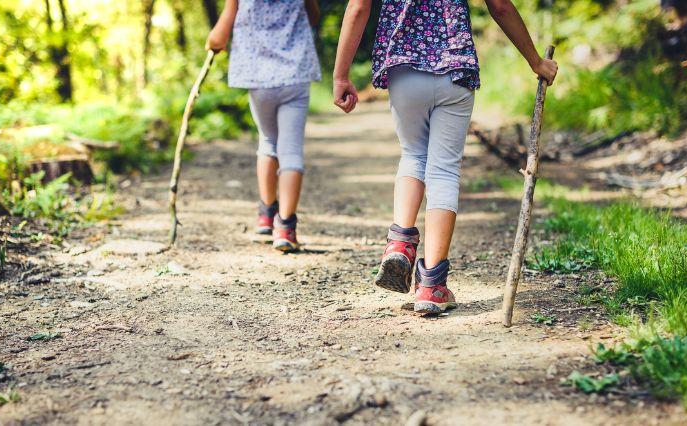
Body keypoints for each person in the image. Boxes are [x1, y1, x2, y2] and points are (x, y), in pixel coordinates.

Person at [332, 0, 558, 313]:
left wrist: (341, 75)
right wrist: (535, 61)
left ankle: (400, 243)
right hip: (456, 71)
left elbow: (358, 7)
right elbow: (501, 6)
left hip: (405, 69)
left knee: (413, 155)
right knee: (444, 171)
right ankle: (431, 285)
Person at [206, 0, 321, 252]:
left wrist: (214, 41)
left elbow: (221, 33)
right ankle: (286, 226)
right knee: (291, 151)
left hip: (258, 77)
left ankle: (266, 214)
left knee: (268, 142)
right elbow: (313, 17)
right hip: (295, 75)